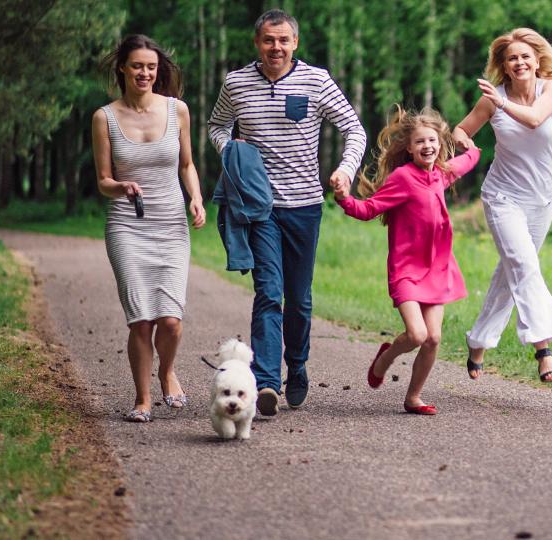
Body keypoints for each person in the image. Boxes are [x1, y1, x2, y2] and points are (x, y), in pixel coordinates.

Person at [208, 9, 367, 416]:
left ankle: (296, 364)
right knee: (268, 292)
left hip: (305, 206)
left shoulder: (316, 80)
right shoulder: (236, 83)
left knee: (298, 299)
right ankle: (265, 381)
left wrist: (345, 170)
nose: (276, 47)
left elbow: (355, 129)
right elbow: (217, 126)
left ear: (295, 42)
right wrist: (232, 152)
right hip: (258, 208)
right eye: (268, 40)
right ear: (257, 43)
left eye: (283, 40)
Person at [331, 107, 481, 415]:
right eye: (420, 141)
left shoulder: (441, 173)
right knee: (417, 335)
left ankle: (413, 397)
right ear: (409, 148)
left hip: (437, 268)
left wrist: (470, 145)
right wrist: (344, 199)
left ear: (439, 143)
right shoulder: (402, 178)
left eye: (432, 140)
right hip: (407, 270)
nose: (427, 146)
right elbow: (369, 209)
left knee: (433, 338)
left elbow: (469, 160)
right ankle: (385, 358)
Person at [92, 35, 207, 422]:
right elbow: (103, 180)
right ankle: (142, 400)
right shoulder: (104, 117)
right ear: (122, 68)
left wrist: (196, 197)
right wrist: (121, 187)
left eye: (151, 67)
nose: (145, 73)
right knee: (141, 319)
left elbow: (187, 165)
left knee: (170, 321)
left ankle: (167, 371)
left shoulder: (177, 110)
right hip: (127, 225)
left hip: (171, 223)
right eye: (138, 66)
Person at [451, 28, 552, 383]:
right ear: (503, 66)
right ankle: (543, 350)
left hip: (543, 198)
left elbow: (534, 119)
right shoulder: (493, 98)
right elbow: (461, 129)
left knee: (511, 273)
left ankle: (478, 341)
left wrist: (501, 104)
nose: (519, 63)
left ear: (537, 60)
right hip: (503, 197)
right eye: (511, 58)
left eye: (524, 56)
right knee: (524, 264)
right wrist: (467, 145)